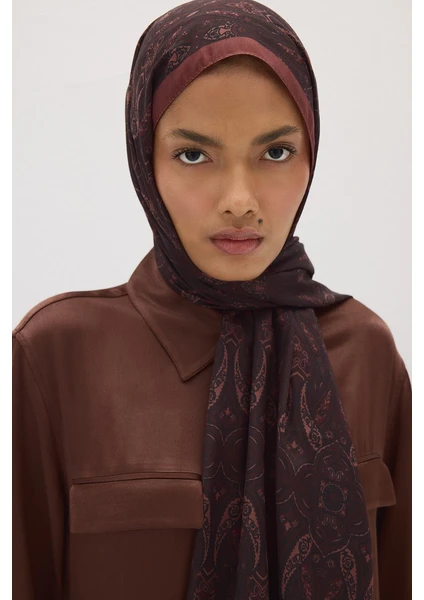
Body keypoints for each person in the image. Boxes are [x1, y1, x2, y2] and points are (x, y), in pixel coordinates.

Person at [12, 0, 411, 599]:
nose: (239, 200)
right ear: (145, 160)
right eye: (194, 154)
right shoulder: (56, 356)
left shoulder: (364, 351)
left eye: (276, 152)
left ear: (311, 154)